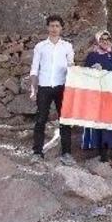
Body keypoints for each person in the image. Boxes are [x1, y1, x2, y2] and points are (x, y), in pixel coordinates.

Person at [29, 14, 75, 165]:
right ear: (47, 27)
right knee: (40, 119)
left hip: (62, 87)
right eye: (52, 26)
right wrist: (33, 89)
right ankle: (37, 152)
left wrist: (71, 71)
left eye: (57, 26)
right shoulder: (40, 47)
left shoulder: (67, 46)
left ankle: (66, 153)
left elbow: (71, 67)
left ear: (61, 28)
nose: (54, 29)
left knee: (65, 120)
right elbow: (34, 69)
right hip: (44, 86)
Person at [82, 30, 112, 164]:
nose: (105, 41)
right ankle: (103, 156)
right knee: (102, 125)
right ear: (98, 41)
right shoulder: (92, 56)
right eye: (102, 39)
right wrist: (92, 69)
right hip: (99, 95)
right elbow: (85, 74)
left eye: (107, 39)